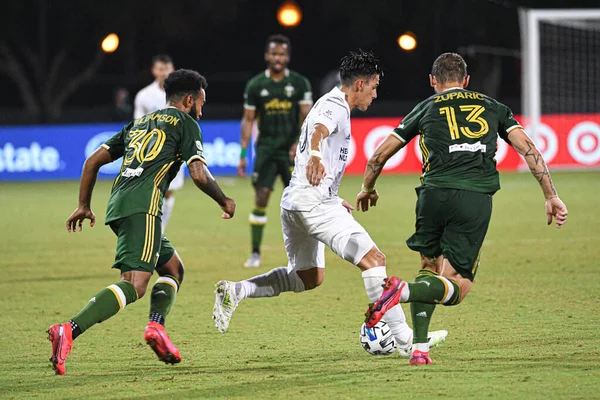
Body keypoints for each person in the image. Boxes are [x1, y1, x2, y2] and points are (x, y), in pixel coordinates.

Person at [215, 50, 447, 356]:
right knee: (374, 260)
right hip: (312, 206)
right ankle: (405, 339)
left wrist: (333, 197)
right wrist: (314, 154)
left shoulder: (333, 105)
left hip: (297, 203)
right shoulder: (334, 105)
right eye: (375, 86)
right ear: (360, 83)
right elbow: (318, 131)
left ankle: (237, 290)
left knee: (308, 277)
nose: (376, 94)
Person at [360, 52, 568, 365]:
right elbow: (529, 149)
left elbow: (378, 155)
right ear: (467, 81)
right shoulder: (494, 107)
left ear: (433, 81)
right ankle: (402, 292)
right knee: (458, 286)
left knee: (428, 268)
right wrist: (551, 195)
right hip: (474, 198)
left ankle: (419, 349)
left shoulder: (425, 107)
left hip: (431, 196)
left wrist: (368, 189)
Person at [47, 69, 236, 375]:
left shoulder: (138, 123)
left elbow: (92, 161)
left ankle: (156, 328)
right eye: (202, 102)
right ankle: (67, 330)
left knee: (173, 268)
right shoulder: (187, 123)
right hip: (144, 208)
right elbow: (199, 174)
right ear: (189, 100)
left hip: (119, 204)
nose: (203, 109)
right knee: (134, 283)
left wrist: (84, 205)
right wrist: (224, 200)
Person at [238, 34, 313, 268]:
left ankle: (306, 255)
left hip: (291, 151)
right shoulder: (256, 85)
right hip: (267, 151)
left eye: (281, 54)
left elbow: (308, 118)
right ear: (266, 56)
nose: (277, 58)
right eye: (273, 53)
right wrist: (242, 154)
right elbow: (248, 120)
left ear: (287, 57)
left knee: (301, 201)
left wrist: (301, 145)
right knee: (261, 198)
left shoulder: (300, 84)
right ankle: (255, 253)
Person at [134, 54, 183, 233]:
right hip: (152, 151)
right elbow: (138, 124)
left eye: (167, 69)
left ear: (173, 70)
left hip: (176, 151)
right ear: (154, 71)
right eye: (160, 69)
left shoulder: (181, 95)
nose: (164, 73)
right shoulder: (144, 95)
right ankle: (151, 229)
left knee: (168, 192)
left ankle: (160, 231)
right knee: (152, 192)